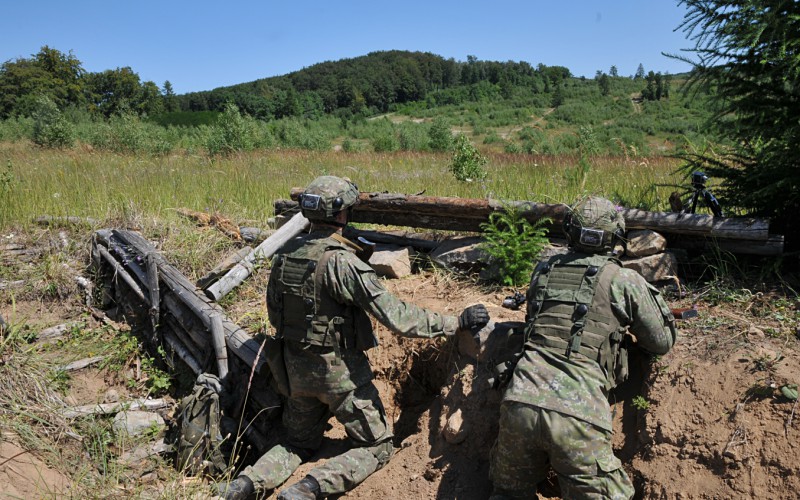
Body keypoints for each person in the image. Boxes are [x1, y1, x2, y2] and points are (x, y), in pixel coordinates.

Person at [216, 175, 489, 500]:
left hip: (294, 373)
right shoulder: (341, 262)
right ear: (343, 213)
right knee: (377, 447)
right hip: (340, 378)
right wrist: (455, 322)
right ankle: (308, 489)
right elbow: (398, 318)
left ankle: (245, 485)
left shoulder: (285, 255)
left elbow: (275, 314)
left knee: (296, 443)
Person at [489, 196, 677, 499]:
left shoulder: (543, 269)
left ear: (570, 231)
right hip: (579, 413)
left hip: (519, 403)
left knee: (508, 494)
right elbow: (661, 342)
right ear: (615, 236)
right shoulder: (623, 280)